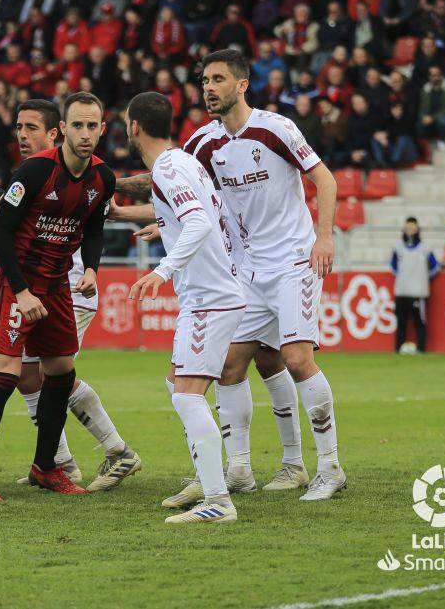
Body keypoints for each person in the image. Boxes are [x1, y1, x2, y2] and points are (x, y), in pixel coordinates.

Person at [114, 49, 345, 501]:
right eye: (204, 80)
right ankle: (239, 469)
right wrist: (138, 208)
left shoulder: (276, 128)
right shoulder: (202, 143)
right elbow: (183, 194)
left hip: (295, 260)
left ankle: (330, 467)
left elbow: (326, 180)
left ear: (241, 85)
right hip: (247, 271)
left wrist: (325, 237)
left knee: (297, 359)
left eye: (218, 79)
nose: (209, 88)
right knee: (229, 365)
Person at [0, 92, 115, 502]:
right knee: (6, 375)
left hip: (58, 284)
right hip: (17, 283)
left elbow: (96, 230)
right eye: (78, 125)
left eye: (92, 126)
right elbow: (3, 234)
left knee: (61, 373)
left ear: (102, 129)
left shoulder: (104, 178)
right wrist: (21, 291)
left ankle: (46, 467)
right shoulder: (32, 173)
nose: (85, 134)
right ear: (63, 129)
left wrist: (91, 268)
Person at [123, 92, 245, 523]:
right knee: (178, 384)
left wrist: (163, 270)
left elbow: (197, 221)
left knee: (189, 398)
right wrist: (163, 225)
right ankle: (207, 476)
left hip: (209, 297)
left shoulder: (168, 168)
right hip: (212, 293)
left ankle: (218, 500)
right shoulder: (185, 161)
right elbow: (204, 213)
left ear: (134, 125)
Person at [10, 99, 141, 492]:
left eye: (31, 127)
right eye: (18, 127)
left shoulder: (86, 174)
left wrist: (90, 268)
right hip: (38, 290)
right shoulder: (32, 174)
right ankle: (60, 461)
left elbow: (103, 215)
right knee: (28, 375)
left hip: (70, 289)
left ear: (55, 132)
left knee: (53, 375)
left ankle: (111, 452)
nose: (21, 135)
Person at [391, 217, 439, 353]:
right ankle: (398, 348)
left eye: (413, 227)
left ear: (417, 228)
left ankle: (422, 349)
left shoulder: (425, 248)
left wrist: (422, 278)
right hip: (401, 290)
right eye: (408, 227)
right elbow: (393, 267)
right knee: (401, 322)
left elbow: (435, 267)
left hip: (418, 291)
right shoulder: (397, 247)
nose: (410, 230)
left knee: (419, 321)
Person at [417, 66, 445, 151]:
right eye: (433, 75)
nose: (435, 77)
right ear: (429, 77)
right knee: (418, 126)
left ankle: (443, 140)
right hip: (430, 119)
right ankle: (425, 149)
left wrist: (432, 117)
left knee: (443, 121)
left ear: (441, 75)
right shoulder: (425, 89)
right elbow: (421, 108)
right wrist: (423, 117)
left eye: (437, 75)